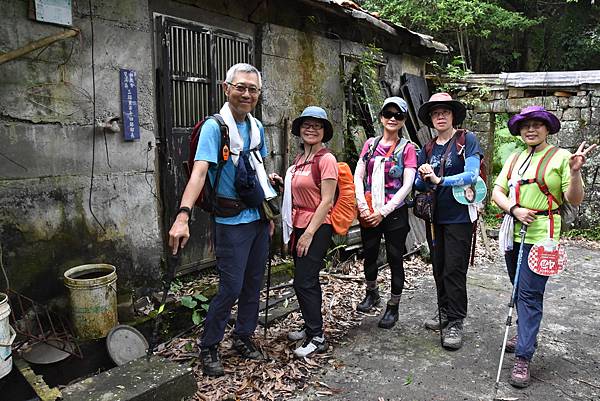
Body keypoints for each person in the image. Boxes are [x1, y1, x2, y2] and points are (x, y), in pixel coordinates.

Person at [168, 63, 276, 377]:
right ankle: (209, 345)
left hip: (257, 218)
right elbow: (199, 173)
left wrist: (267, 205)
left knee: (254, 283)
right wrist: (183, 216)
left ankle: (243, 336)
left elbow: (255, 167)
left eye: (252, 89)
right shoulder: (214, 128)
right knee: (231, 287)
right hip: (230, 222)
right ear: (225, 88)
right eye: (240, 87)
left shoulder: (256, 127)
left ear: (258, 94)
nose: (246, 94)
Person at [492, 105, 596, 388]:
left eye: (537, 124)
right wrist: (514, 209)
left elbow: (573, 199)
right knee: (516, 286)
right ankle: (525, 332)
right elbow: (496, 192)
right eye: (526, 125)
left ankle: (524, 355)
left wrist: (574, 173)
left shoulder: (562, 157)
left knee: (529, 293)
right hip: (513, 231)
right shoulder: (514, 158)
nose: (531, 129)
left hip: (544, 236)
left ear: (547, 128)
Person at [415, 92, 483, 350]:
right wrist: (423, 175)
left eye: (444, 111)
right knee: (439, 266)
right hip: (435, 217)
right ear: (431, 119)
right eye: (435, 113)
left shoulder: (467, 141)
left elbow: (472, 175)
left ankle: (455, 320)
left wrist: (440, 180)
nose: (440, 116)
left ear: (453, 115)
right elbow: (419, 183)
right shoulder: (429, 148)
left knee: (455, 268)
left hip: (459, 217)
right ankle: (444, 310)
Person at [270, 106, 337, 358]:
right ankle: (310, 326)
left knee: (304, 280)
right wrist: (283, 184)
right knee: (304, 280)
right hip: (299, 225)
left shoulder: (326, 160)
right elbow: (301, 193)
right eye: (307, 125)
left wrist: (309, 233)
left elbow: (326, 201)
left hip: (317, 227)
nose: (311, 129)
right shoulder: (300, 161)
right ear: (299, 130)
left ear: (323, 132)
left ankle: (317, 337)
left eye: (317, 126)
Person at [353, 97, 417, 329]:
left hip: (394, 213)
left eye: (398, 115)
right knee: (369, 253)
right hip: (369, 210)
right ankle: (372, 293)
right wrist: (362, 206)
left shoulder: (407, 149)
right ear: (381, 117)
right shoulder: (370, 144)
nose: (392, 118)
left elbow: (407, 185)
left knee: (394, 257)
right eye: (388, 114)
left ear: (403, 120)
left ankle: (393, 306)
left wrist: (384, 211)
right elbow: (358, 176)